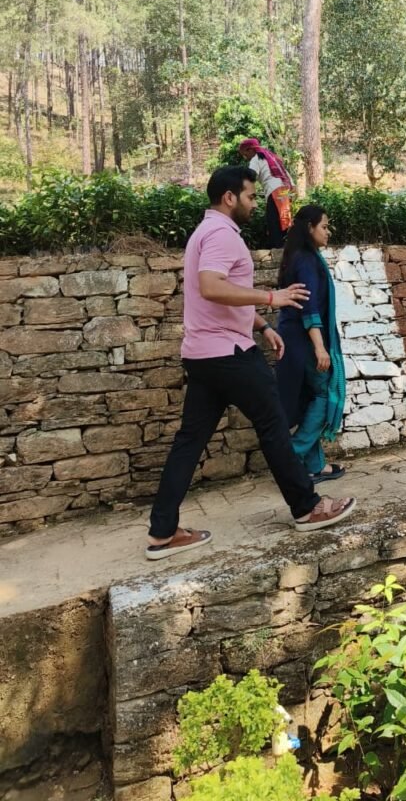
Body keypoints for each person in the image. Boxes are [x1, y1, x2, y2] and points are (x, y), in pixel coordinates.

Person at [145, 166, 356, 560]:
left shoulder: (204, 232)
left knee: (189, 441)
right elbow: (212, 287)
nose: (256, 204)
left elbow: (219, 294)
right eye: (251, 196)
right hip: (228, 354)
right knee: (274, 425)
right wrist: (272, 299)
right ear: (229, 197)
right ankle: (307, 507)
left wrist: (262, 325)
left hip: (202, 354)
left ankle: (162, 532)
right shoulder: (222, 234)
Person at [276, 205, 346, 484]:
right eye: (324, 226)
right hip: (304, 341)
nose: (328, 232)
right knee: (325, 394)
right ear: (309, 228)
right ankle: (292, 458)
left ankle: (314, 466)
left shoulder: (299, 256)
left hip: (296, 338)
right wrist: (319, 347)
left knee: (311, 398)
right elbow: (309, 307)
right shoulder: (305, 260)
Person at [238, 138, 294, 247]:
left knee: (273, 222)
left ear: (250, 150)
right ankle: (285, 246)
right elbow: (286, 174)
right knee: (284, 220)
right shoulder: (272, 157)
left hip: (274, 191)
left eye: (245, 154)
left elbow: (251, 175)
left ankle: (277, 248)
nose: (245, 158)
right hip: (285, 191)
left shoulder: (256, 158)